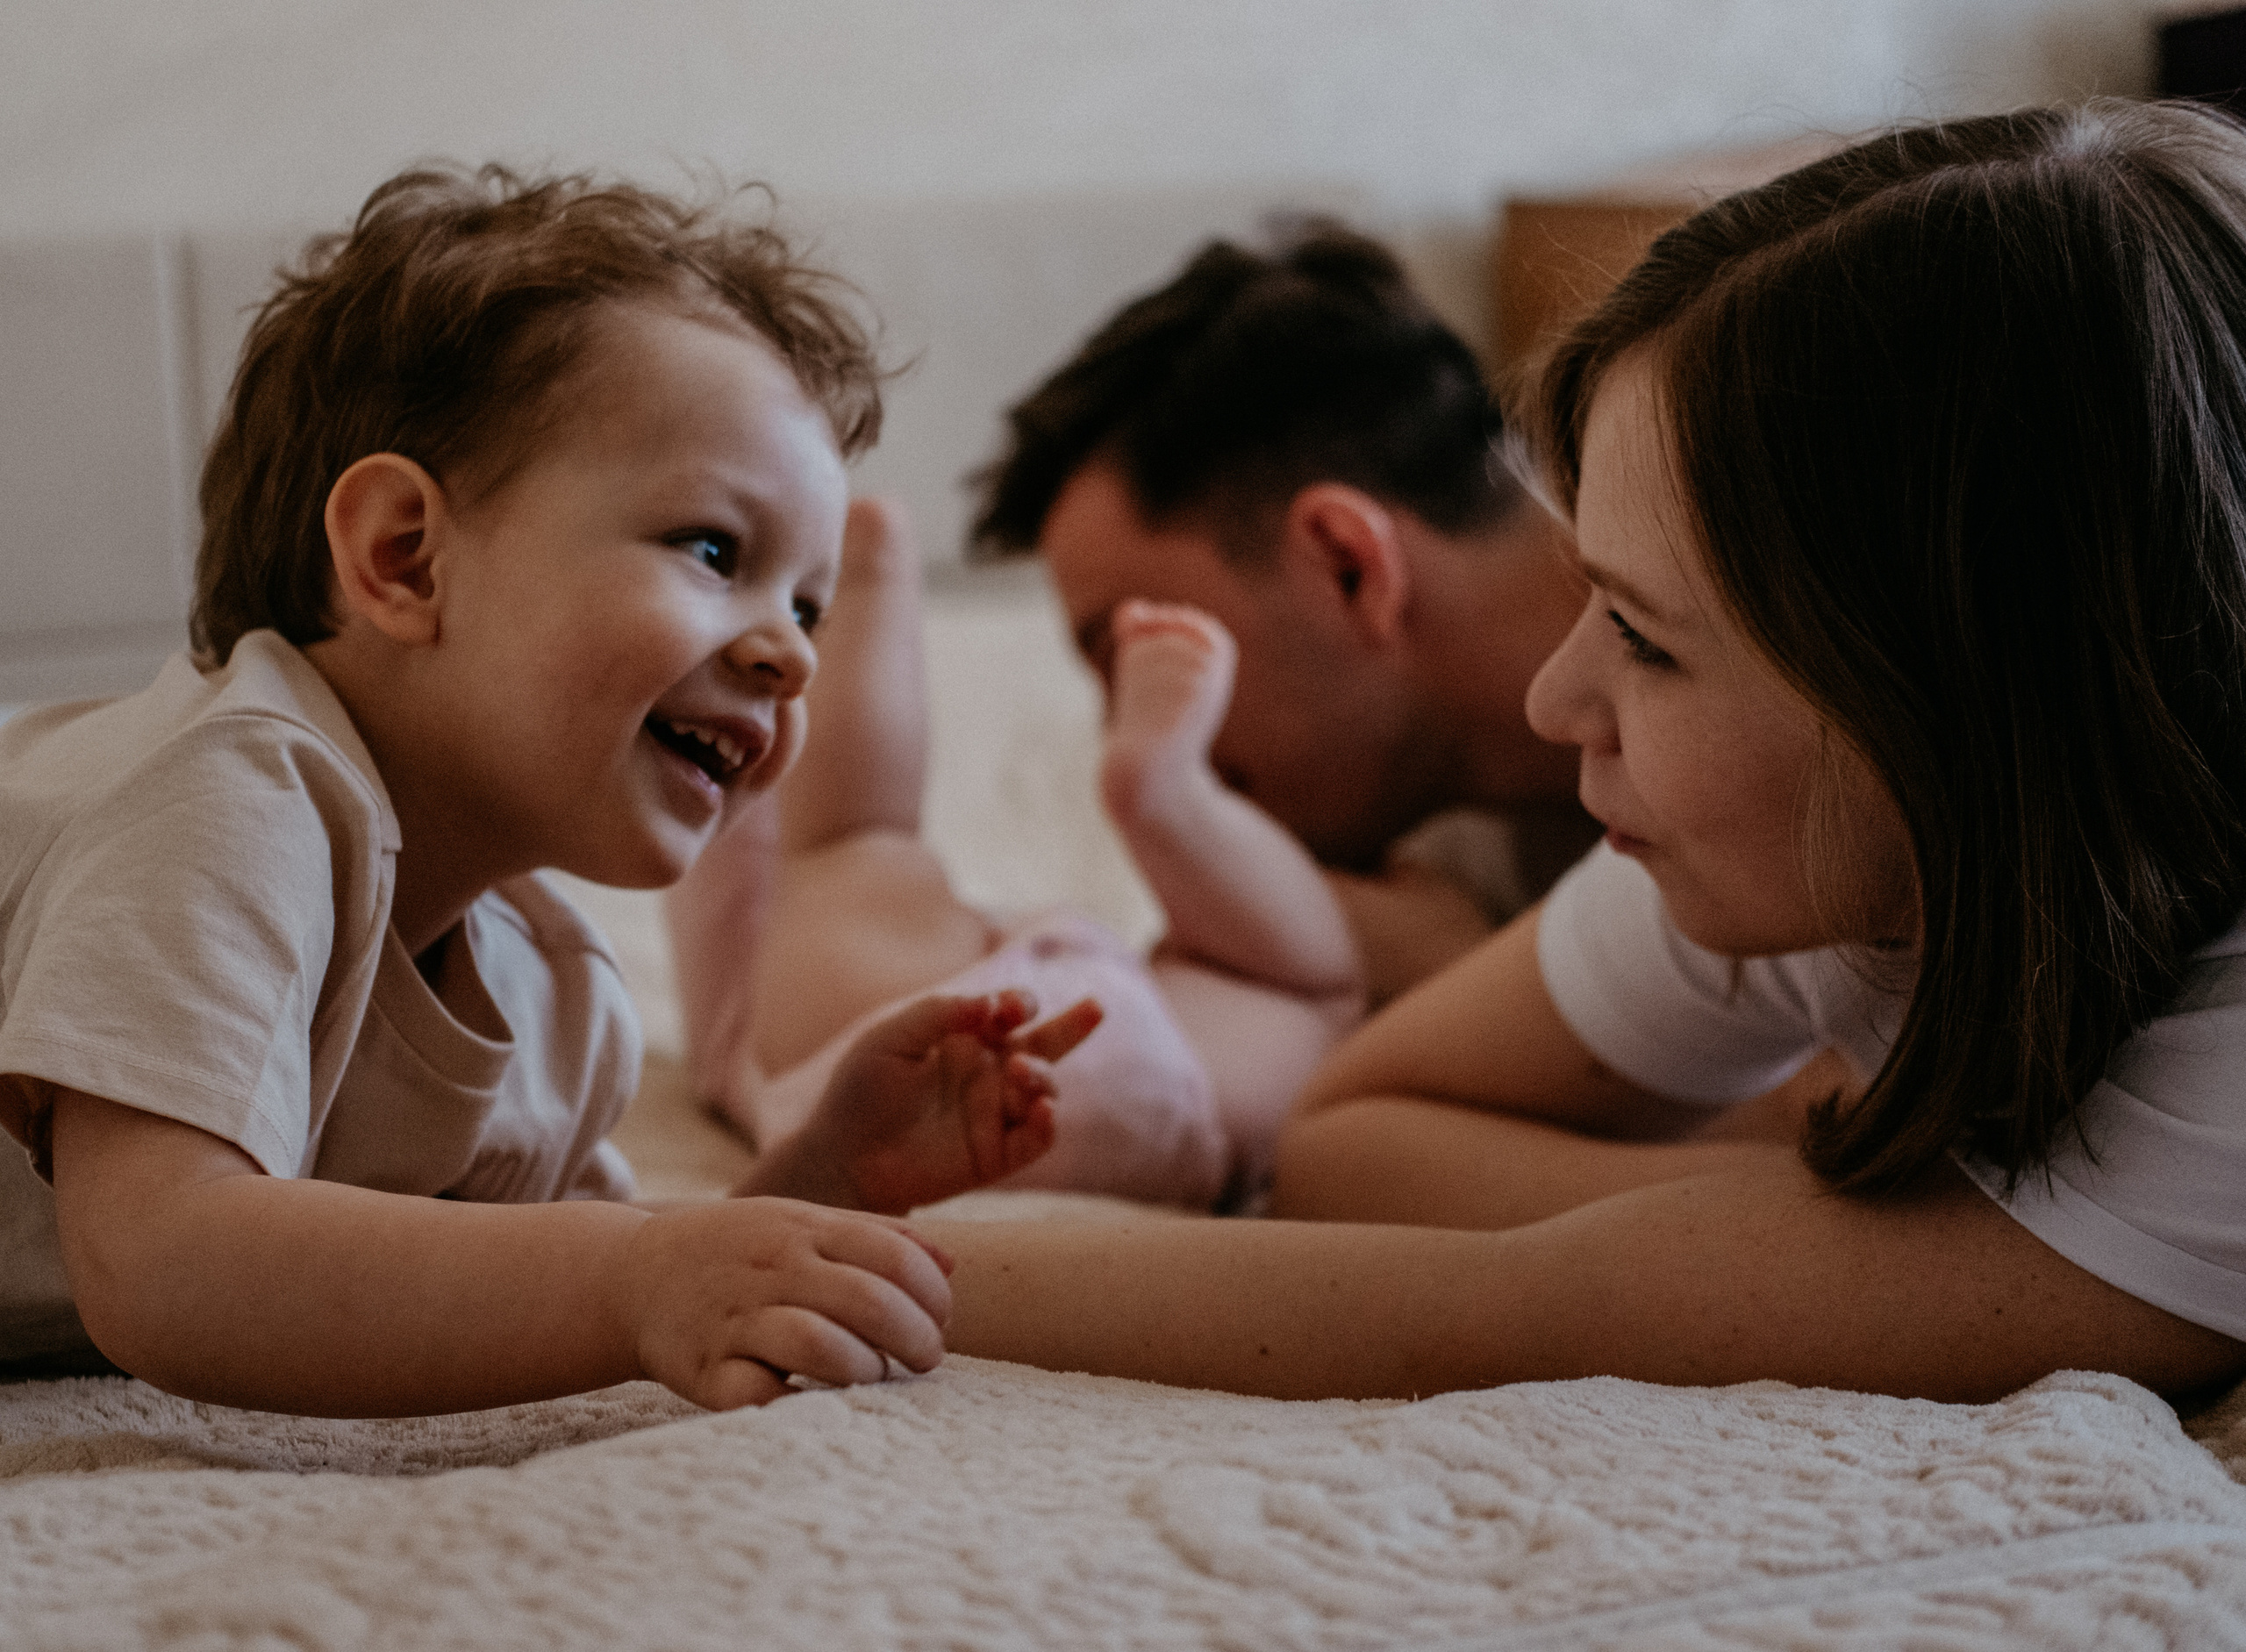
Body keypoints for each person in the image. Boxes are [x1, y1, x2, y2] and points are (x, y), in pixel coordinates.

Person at [918, 100, 2246, 1405]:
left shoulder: (1785, 817)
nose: (1565, 700)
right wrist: (1803, 1194)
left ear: (1951, 702)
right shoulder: (1782, 840)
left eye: (1647, 636)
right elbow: (1351, 1142)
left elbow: (1501, 1310)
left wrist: (878, 1271)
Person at [0, 167, 1087, 1414]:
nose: (791, 652)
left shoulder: (555, 991)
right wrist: (638, 1278)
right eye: (715, 550)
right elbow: (162, 1260)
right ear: (406, 557)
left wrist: (818, 1184)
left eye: (808, 605)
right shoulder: (230, 791)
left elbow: (525, 1296)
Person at [666, 497, 1363, 1207]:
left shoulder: (738, 1040)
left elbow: (721, 860)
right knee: (1320, 989)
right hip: (1158, 1067)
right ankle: (1171, 797)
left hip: (883, 1058)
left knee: (857, 842)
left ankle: (867, 580)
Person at [971, 223, 1598, 1001]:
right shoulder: (1436, 836)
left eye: (1129, 651)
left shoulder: (1762, 668)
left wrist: (1465, 981)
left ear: (1346, 566)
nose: (1124, 734)